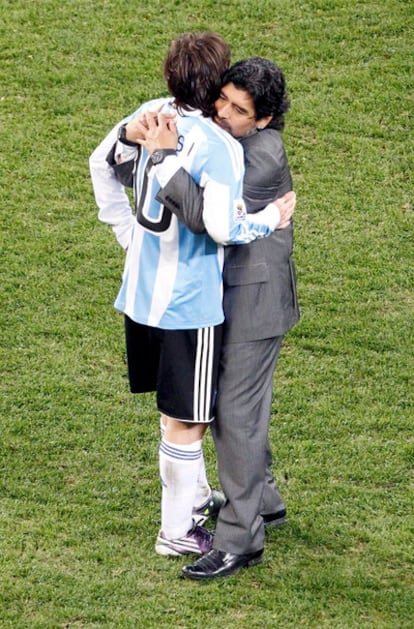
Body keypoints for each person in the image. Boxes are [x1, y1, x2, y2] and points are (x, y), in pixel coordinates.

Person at [89, 35, 295, 559]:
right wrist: (270, 218)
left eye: (239, 107)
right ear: (213, 85)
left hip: (179, 297)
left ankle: (227, 508)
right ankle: (182, 529)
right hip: (190, 300)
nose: (226, 112)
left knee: (201, 412)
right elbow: (219, 226)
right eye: (223, 97)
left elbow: (105, 162)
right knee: (193, 417)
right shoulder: (215, 144)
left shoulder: (155, 116)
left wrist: (125, 225)